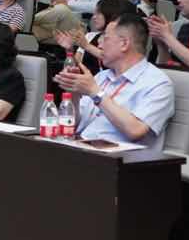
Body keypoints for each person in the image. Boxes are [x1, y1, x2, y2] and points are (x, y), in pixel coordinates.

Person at [53, 12, 176, 150]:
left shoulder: (157, 83)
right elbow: (73, 124)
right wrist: (74, 94)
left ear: (124, 44)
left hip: (120, 158)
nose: (99, 44)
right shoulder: (102, 77)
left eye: (105, 38)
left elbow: (135, 131)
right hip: (80, 148)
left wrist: (96, 93)